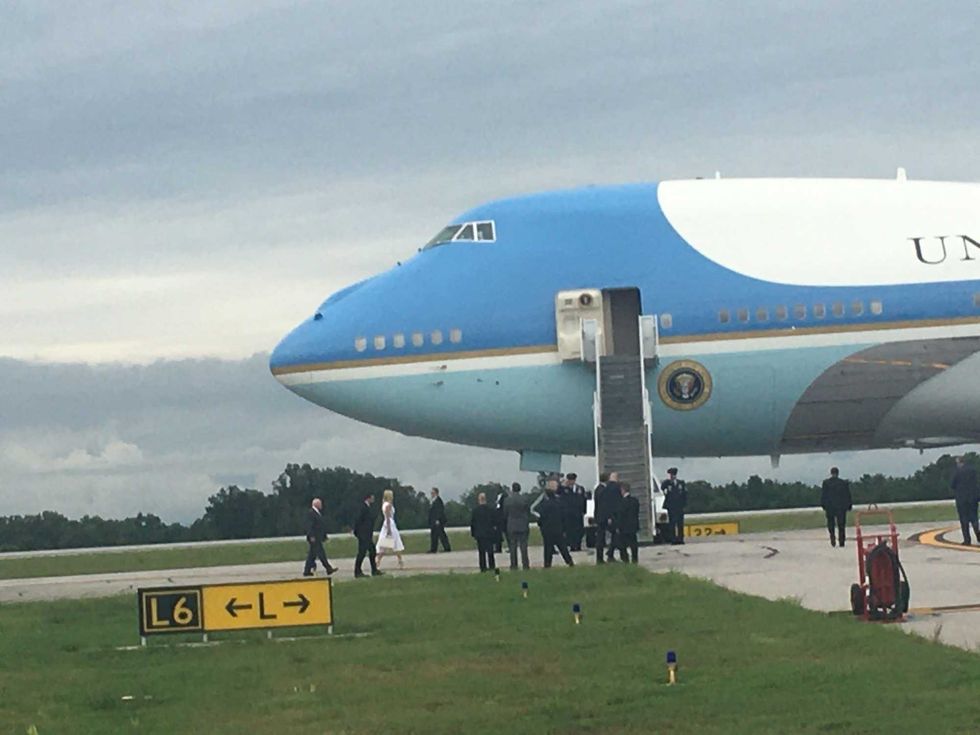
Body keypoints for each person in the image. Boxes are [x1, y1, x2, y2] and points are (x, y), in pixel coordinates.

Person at [537, 479, 574, 568]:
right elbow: (563, 516)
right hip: (558, 528)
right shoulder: (559, 502)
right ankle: (569, 562)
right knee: (562, 547)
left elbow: (541, 516)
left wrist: (540, 525)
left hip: (547, 529)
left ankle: (547, 564)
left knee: (548, 548)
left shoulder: (544, 504)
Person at [303, 498, 338, 576]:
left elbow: (320, 526)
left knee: (312, 555)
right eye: (320, 504)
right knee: (321, 554)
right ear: (316, 504)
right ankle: (328, 568)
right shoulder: (311, 513)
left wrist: (324, 536)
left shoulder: (317, 513)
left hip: (317, 537)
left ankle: (307, 571)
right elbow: (309, 526)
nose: (321, 505)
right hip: (314, 538)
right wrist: (311, 536)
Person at [820, 466, 853, 548]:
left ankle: (832, 537)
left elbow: (824, 495)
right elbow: (847, 495)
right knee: (841, 525)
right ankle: (841, 541)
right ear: (838, 473)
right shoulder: (843, 483)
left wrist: (823, 505)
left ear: (831, 473)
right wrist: (849, 505)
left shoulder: (826, 483)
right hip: (841, 507)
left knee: (831, 523)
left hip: (830, 506)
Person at [950, 456, 980, 545]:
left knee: (964, 520)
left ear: (959, 462)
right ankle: (978, 536)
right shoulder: (973, 471)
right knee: (974, 518)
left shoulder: (957, 472)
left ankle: (967, 540)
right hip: (973, 498)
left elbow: (952, 484)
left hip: (962, 499)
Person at [503, 482, 532, 570]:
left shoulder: (507, 500)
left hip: (511, 525)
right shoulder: (524, 499)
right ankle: (525, 564)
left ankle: (513, 565)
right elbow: (528, 511)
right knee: (524, 546)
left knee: (512, 547)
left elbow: (505, 513)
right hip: (523, 524)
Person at [352, 493, 382, 578]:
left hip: (367, 534)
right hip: (363, 534)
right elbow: (358, 519)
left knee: (372, 551)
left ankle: (374, 570)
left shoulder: (368, 507)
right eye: (372, 497)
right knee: (362, 553)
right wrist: (357, 532)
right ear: (368, 498)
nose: (373, 499)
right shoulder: (363, 507)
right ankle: (357, 571)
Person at [375, 489, 405, 570]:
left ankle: (378, 562)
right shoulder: (388, 505)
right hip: (390, 524)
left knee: (387, 544)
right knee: (392, 543)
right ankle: (399, 561)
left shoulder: (385, 504)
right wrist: (389, 529)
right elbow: (388, 517)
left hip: (389, 523)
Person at [469, 492, 498, 571]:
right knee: (490, 552)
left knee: (481, 552)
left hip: (480, 534)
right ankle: (492, 566)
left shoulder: (475, 511)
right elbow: (495, 522)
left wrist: (473, 534)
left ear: (479, 500)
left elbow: (473, 523)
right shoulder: (491, 510)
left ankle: (483, 567)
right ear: (485, 499)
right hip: (489, 533)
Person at [661, 468, 687, 545]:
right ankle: (673, 539)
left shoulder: (681, 483)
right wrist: (668, 482)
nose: (672, 476)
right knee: (672, 524)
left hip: (679, 506)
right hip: (671, 507)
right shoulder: (667, 483)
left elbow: (684, 495)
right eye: (671, 475)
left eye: (673, 474)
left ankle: (680, 538)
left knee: (680, 524)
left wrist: (684, 504)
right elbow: (662, 488)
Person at [600, 471, 622, 561]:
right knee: (617, 534)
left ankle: (611, 552)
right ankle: (611, 552)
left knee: (615, 534)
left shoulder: (605, 488)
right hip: (616, 514)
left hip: (609, 514)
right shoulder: (617, 487)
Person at [562, 473, 587, 551]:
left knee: (579, 530)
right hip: (568, 513)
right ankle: (572, 545)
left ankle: (578, 545)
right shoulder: (564, 489)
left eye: (572, 480)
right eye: (570, 480)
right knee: (570, 530)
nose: (571, 481)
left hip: (578, 513)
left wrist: (584, 511)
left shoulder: (580, 489)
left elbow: (583, 500)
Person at [616, 482, 640, 563]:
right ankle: (635, 560)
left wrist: (618, 525)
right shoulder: (635, 501)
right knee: (634, 545)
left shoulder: (621, 502)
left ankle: (625, 559)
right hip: (633, 526)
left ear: (622, 490)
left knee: (622, 545)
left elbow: (620, 515)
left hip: (624, 527)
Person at [428, 487, 451, 553]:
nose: (431, 494)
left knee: (441, 535)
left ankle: (447, 548)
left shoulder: (438, 501)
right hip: (433, 522)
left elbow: (439, 511)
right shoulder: (433, 501)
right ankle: (433, 549)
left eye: (432, 493)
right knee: (434, 535)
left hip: (438, 522)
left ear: (436, 493)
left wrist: (437, 519)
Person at [494, 488, 509, 553]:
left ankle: (509, 547)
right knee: (498, 534)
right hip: (499, 518)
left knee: (506, 533)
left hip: (502, 517)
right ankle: (498, 548)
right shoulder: (498, 497)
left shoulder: (503, 497)